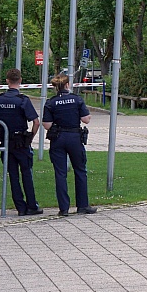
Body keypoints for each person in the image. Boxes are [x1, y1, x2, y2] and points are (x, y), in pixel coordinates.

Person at [0, 69, 41, 216]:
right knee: (26, 173)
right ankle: (32, 205)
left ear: (7, 81)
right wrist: (30, 137)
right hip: (21, 142)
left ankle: (20, 207)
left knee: (13, 175)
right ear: (20, 80)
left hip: (7, 143)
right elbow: (36, 122)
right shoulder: (23, 100)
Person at [43, 73, 95, 217]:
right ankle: (82, 206)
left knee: (60, 173)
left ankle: (64, 208)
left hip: (58, 138)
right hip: (74, 138)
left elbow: (46, 125)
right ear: (67, 85)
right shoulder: (77, 100)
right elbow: (85, 120)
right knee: (80, 170)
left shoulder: (50, 102)